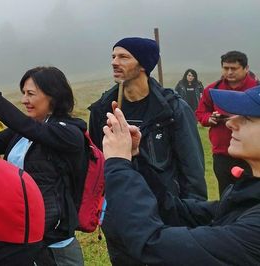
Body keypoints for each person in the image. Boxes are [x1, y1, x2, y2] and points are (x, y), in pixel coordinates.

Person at [100, 85, 260, 265]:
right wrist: (134, 160)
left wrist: (119, 166)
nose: (230, 122)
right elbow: (174, 210)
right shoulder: (248, 195)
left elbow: (154, 245)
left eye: (246, 118)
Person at [88, 37, 206, 266]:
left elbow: (192, 170)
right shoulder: (103, 110)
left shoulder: (172, 110)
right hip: (119, 216)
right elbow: (97, 164)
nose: (114, 62)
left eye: (123, 57)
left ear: (143, 64)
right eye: (113, 56)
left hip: (165, 217)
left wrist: (192, 219)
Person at [0, 66, 86, 266]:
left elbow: (24, 124)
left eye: (31, 94)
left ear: (54, 96)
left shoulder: (69, 133)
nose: (24, 100)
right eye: (23, 93)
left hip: (55, 245)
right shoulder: (22, 133)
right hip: (24, 237)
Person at [196, 50, 258, 196]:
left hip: (252, 154)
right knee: (226, 194)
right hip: (222, 152)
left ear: (246, 68)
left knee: (253, 194)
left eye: (234, 68)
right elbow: (200, 113)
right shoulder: (212, 90)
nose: (229, 72)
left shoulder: (257, 90)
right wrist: (209, 118)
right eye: (225, 68)